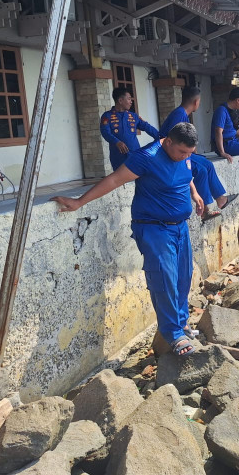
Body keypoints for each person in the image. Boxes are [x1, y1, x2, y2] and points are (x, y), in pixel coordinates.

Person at [52, 123, 204, 357]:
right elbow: (114, 180)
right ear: (169, 142)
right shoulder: (147, 157)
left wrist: (194, 193)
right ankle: (173, 334)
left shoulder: (183, 155)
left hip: (180, 228)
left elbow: (187, 174)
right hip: (154, 228)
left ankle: (182, 323)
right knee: (164, 279)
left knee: (183, 276)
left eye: (189, 154)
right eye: (182, 152)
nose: (185, 157)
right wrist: (80, 202)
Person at [159, 86, 236, 221]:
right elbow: (177, 143)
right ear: (196, 102)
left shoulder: (182, 114)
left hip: (182, 151)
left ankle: (221, 199)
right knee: (201, 170)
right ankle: (206, 210)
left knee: (208, 164)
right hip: (172, 155)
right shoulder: (179, 115)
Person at [100, 88, 159, 171]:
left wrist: (161, 137)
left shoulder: (133, 116)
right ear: (120, 100)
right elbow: (105, 132)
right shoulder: (107, 116)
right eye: (129, 99)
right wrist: (117, 142)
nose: (131, 101)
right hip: (118, 155)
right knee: (120, 179)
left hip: (135, 154)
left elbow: (147, 127)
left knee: (139, 177)